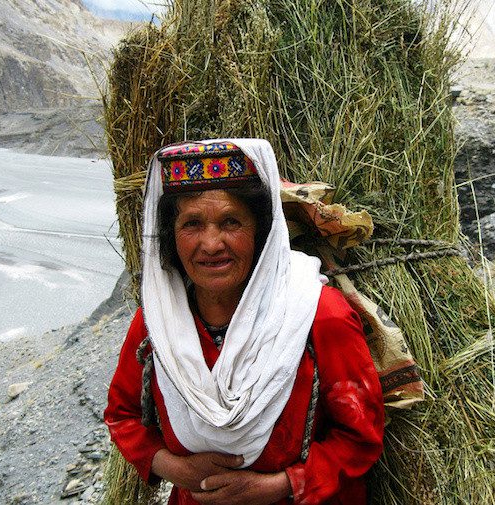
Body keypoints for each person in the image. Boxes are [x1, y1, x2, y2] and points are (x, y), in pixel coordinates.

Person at [104, 139, 384, 504]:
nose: (211, 243)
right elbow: (121, 415)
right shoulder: (156, 326)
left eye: (230, 222)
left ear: (260, 232)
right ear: (171, 237)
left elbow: (360, 437)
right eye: (192, 224)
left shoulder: (318, 316)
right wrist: (176, 469)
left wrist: (276, 486)